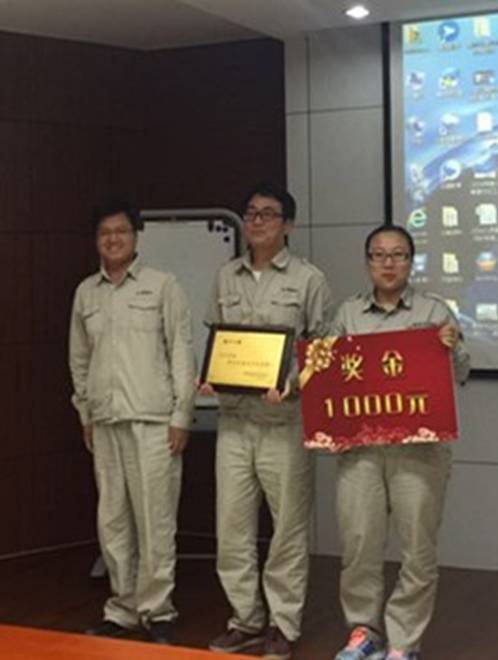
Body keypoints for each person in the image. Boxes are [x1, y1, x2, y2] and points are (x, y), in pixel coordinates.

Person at [202, 183, 333, 660]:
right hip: (234, 423)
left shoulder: (309, 279)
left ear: (288, 225)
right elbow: (218, 340)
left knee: (287, 530)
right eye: (251, 213)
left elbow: (322, 351)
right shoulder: (226, 276)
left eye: (268, 214)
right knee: (231, 529)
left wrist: (293, 383)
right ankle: (245, 619)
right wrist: (211, 376)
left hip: (284, 422)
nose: (256, 222)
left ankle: (282, 623)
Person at [332, 225, 470, 660]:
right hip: (361, 451)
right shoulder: (347, 314)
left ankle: (404, 642)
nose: (388, 263)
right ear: (368, 262)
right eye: (379, 255)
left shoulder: (435, 311)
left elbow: (461, 373)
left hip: (419, 451)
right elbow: (328, 377)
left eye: (398, 255)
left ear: (411, 262)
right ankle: (363, 631)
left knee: (417, 550)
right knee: (359, 545)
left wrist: (452, 348)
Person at [69, 199, 196, 645]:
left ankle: (158, 611)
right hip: (105, 422)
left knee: (155, 521)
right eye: (105, 233)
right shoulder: (86, 293)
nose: (113, 239)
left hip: (153, 422)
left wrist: (182, 415)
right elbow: (79, 359)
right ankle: (122, 608)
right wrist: (85, 412)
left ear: (136, 235)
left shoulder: (163, 286)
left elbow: (181, 352)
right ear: (96, 240)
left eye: (121, 231)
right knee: (113, 521)